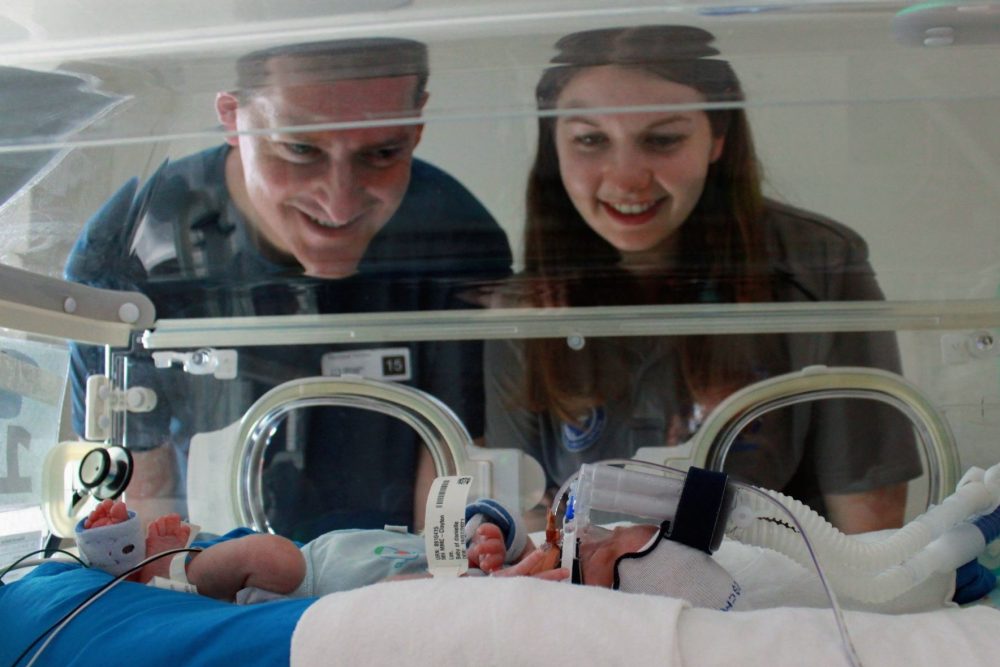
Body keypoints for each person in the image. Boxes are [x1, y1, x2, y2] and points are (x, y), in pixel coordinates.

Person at [64, 38, 512, 539]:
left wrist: (433, 584)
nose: (340, 204)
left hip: (391, 567)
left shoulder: (457, 241)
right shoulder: (132, 252)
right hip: (212, 560)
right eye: (300, 149)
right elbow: (145, 501)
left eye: (383, 152)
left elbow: (450, 464)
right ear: (232, 117)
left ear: (417, 124)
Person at [484, 25, 921, 534]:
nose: (626, 178)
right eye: (589, 139)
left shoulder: (817, 265)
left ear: (719, 137)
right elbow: (528, 516)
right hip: (597, 597)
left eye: (663, 140)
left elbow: (869, 523)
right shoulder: (526, 303)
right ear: (554, 145)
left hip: (770, 595)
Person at [79, 499, 565, 603]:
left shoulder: (489, 593)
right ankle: (177, 569)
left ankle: (168, 572)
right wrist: (492, 537)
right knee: (273, 553)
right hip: (338, 553)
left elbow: (399, 601)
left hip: (320, 588)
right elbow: (478, 514)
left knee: (267, 555)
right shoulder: (482, 556)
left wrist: (490, 582)